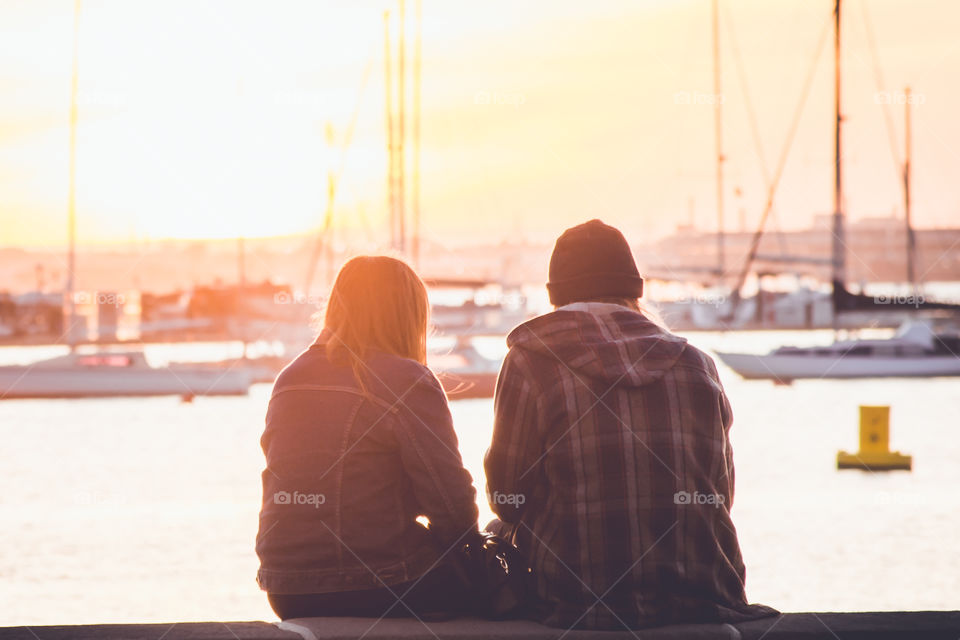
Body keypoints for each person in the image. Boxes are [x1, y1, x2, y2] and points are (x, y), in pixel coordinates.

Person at [484, 219, 777, 630]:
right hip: (704, 599)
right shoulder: (697, 364)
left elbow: (507, 495)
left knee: (496, 528)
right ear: (633, 291)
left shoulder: (532, 361)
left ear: (557, 296)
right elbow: (719, 495)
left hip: (578, 603)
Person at [256, 255, 479, 620]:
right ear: (408, 314)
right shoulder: (406, 379)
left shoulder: (289, 378)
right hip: (379, 584)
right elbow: (451, 506)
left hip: (286, 588)